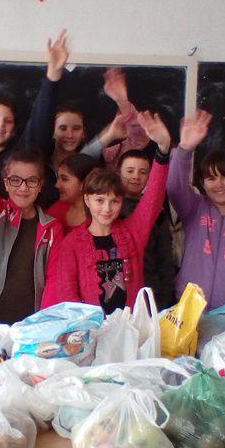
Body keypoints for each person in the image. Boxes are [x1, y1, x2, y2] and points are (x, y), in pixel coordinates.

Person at [52, 111, 171, 314]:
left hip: (131, 326)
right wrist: (84, 328)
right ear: (87, 199)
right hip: (92, 328)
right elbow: (68, 296)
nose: (107, 209)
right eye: (100, 200)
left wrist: (163, 151)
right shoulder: (71, 243)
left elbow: (153, 199)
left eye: (114, 201)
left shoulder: (132, 232)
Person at [166, 110, 225, 310]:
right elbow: (174, 187)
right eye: (211, 178)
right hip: (189, 311)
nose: (219, 184)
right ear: (202, 183)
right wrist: (184, 149)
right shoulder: (194, 208)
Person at [0, 143, 64, 328]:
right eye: (15, 180)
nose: (23, 188)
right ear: (6, 183)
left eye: (31, 181)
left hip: (30, 320)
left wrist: (46, 318)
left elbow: (54, 278)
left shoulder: (52, 227)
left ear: (40, 185)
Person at [0, 31, 67, 203]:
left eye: (7, 121)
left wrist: (53, 75)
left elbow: (40, 121)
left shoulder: (20, 155)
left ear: (14, 130)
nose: (0, 124)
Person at [117, 148, 177, 309]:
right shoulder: (107, 210)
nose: (136, 176)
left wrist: (164, 300)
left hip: (150, 295)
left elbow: (165, 258)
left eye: (143, 172)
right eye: (130, 171)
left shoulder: (157, 212)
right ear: (118, 172)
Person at [45, 153, 99, 234]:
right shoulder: (57, 210)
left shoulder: (102, 216)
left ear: (85, 183)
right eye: (58, 178)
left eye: (64, 179)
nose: (57, 185)